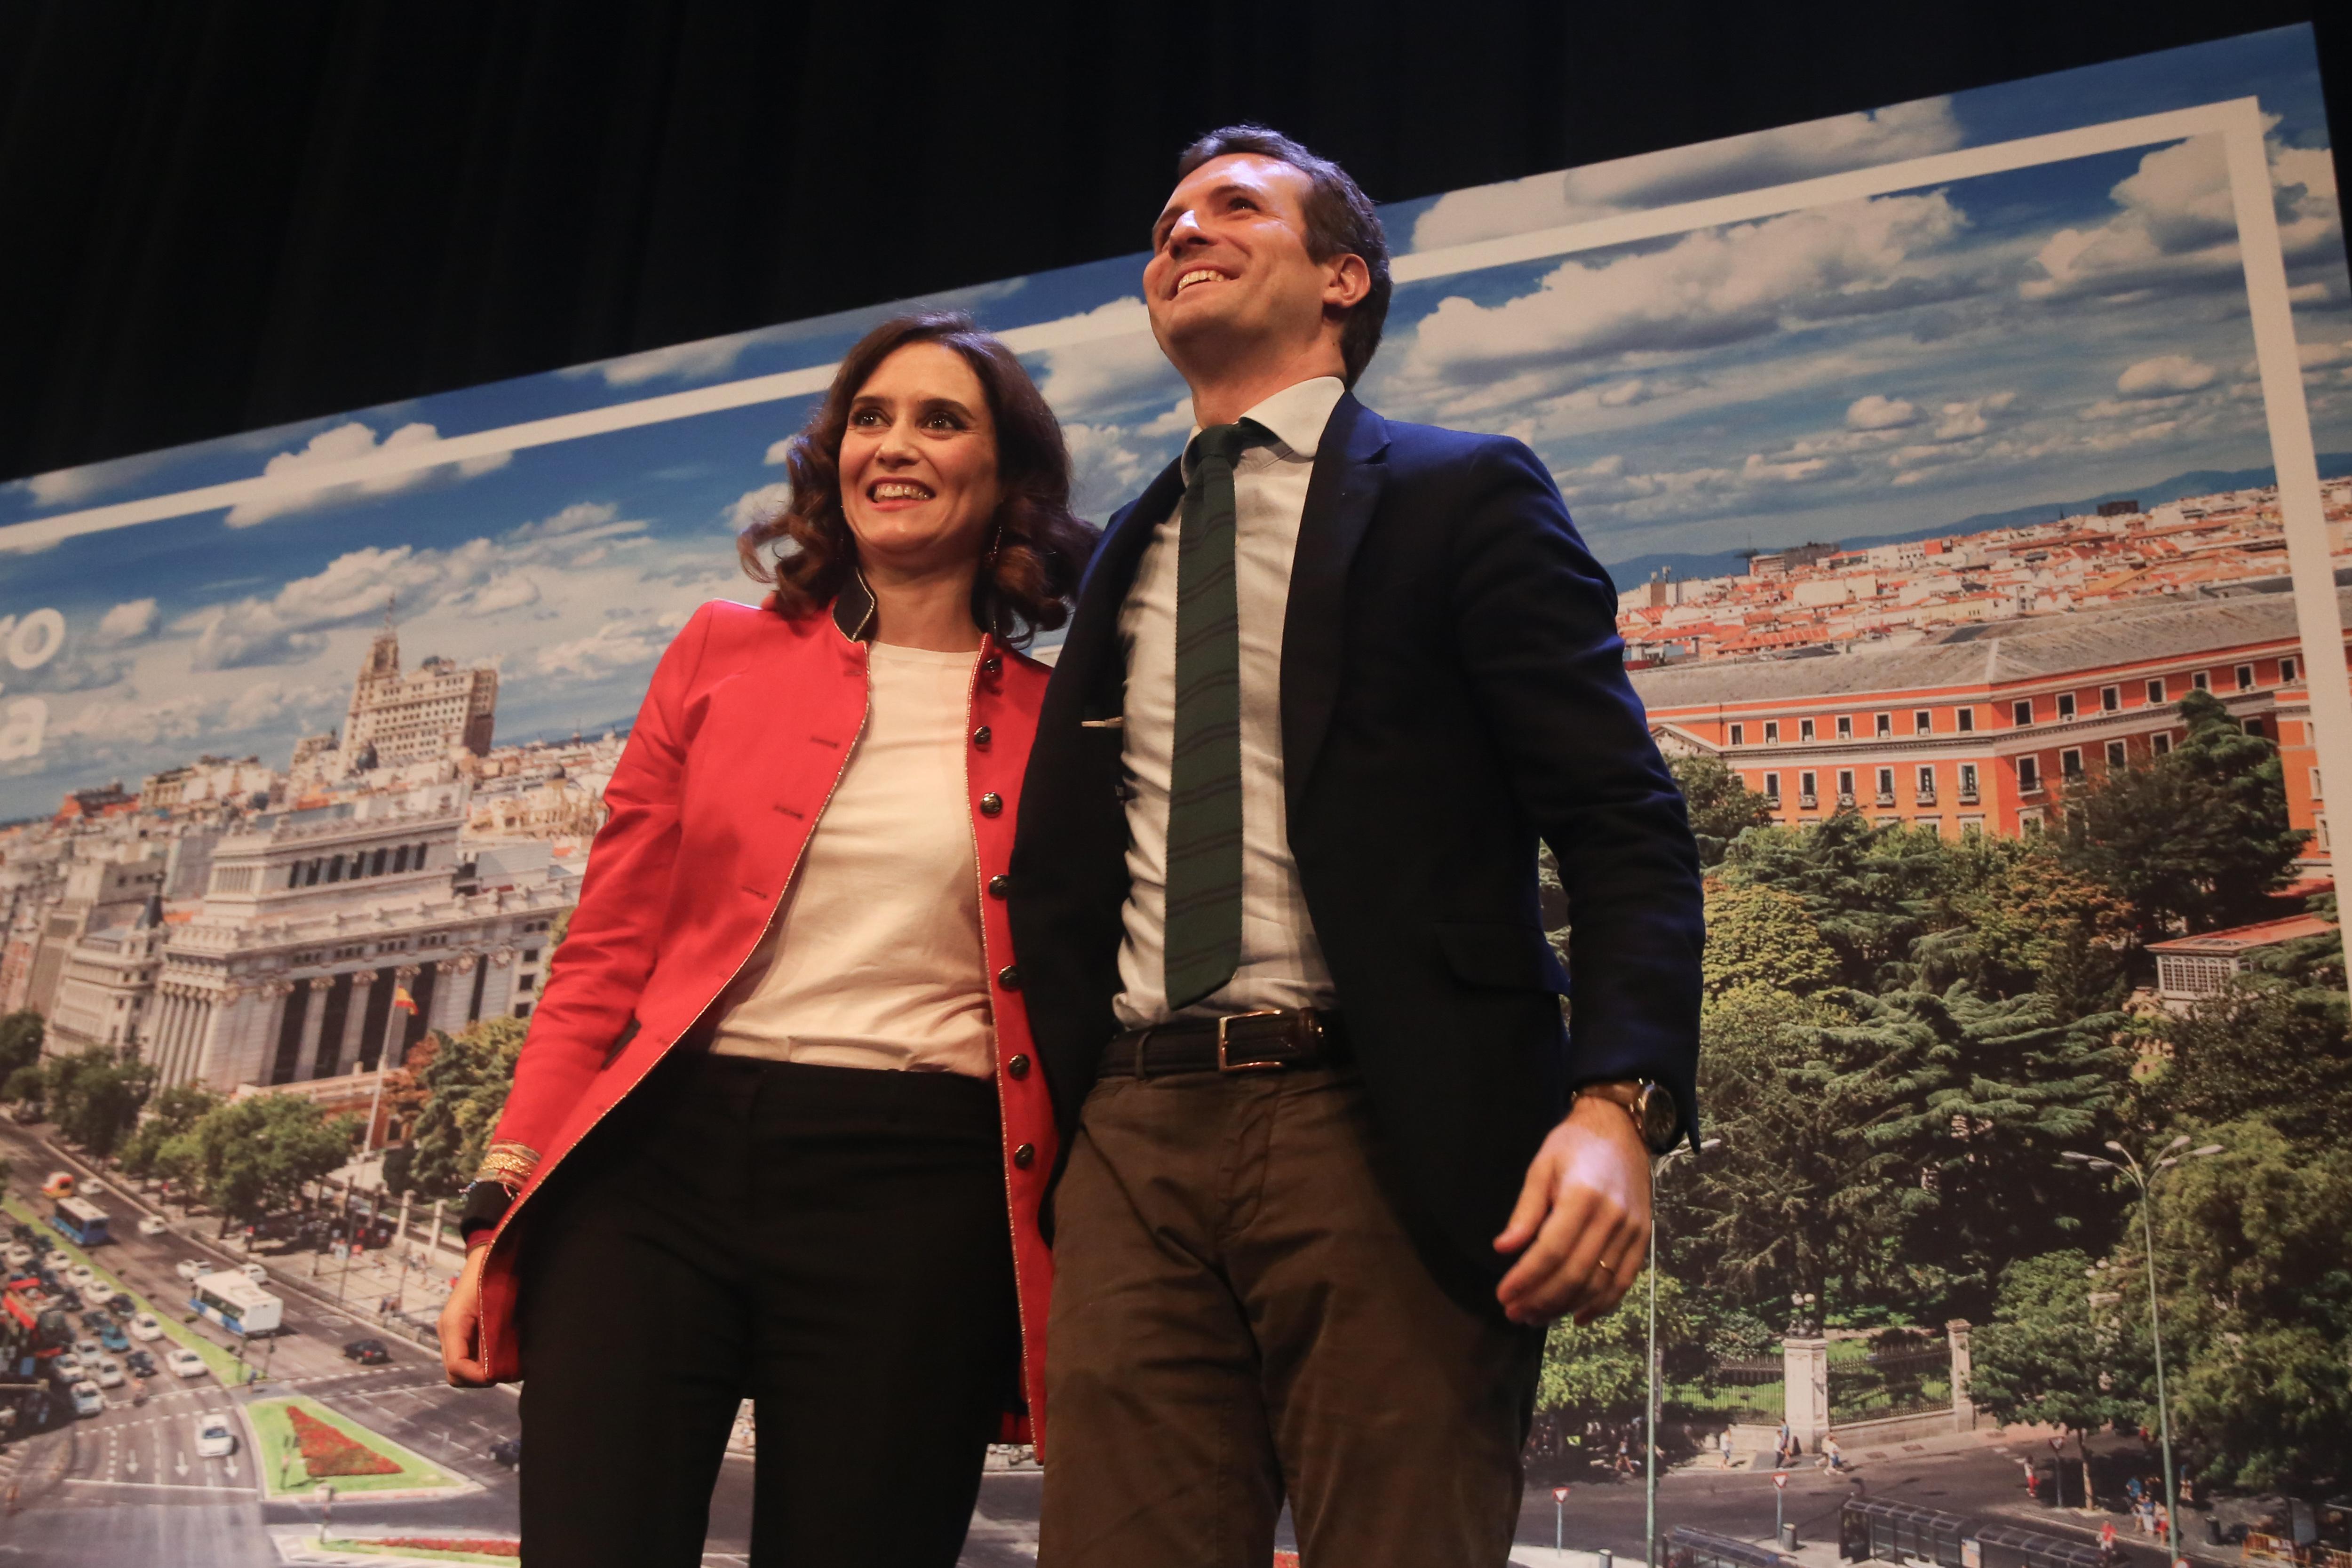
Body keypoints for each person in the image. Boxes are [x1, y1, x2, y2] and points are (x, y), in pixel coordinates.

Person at [1010, 126, 1705, 1567]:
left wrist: (1621, 1104)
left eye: (1233, 206)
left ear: (1343, 277)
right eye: (1168, 218)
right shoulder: (1128, 548)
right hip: (1133, 1133)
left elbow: (1622, 822)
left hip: (1378, 1126)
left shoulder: (1465, 493)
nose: (1182, 233)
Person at [434, 311, 1093, 1568]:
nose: (894, 446)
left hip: (917, 1200)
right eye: (871, 418)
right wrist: (498, 1210)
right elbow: (603, 957)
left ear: (1008, 478)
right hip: (656, 1174)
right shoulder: (716, 654)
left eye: (940, 420)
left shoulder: (1064, 722)